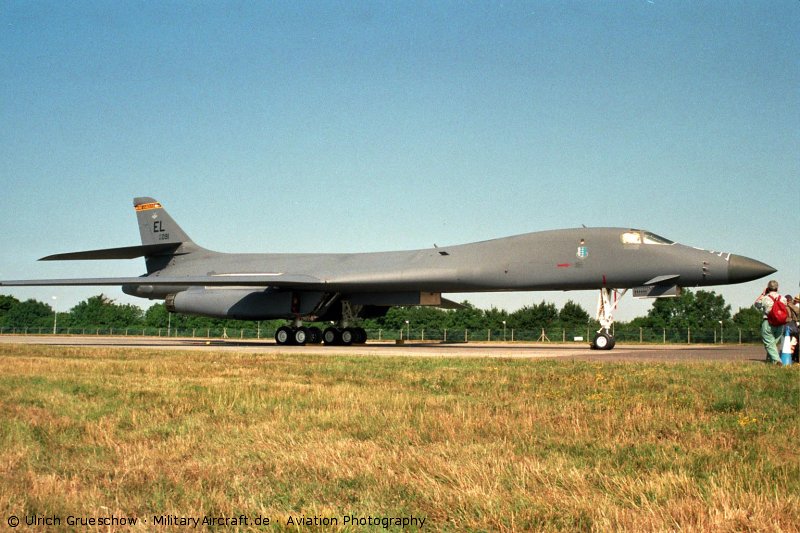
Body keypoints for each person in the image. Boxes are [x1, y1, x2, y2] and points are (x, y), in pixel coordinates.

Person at [754, 280, 784, 364]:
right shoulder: (783, 298)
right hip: (780, 324)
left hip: (768, 322)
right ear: (777, 288)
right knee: (772, 344)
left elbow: (756, 304)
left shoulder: (765, 298)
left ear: (768, 288)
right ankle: (771, 362)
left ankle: (777, 361)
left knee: (769, 344)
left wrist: (763, 294)